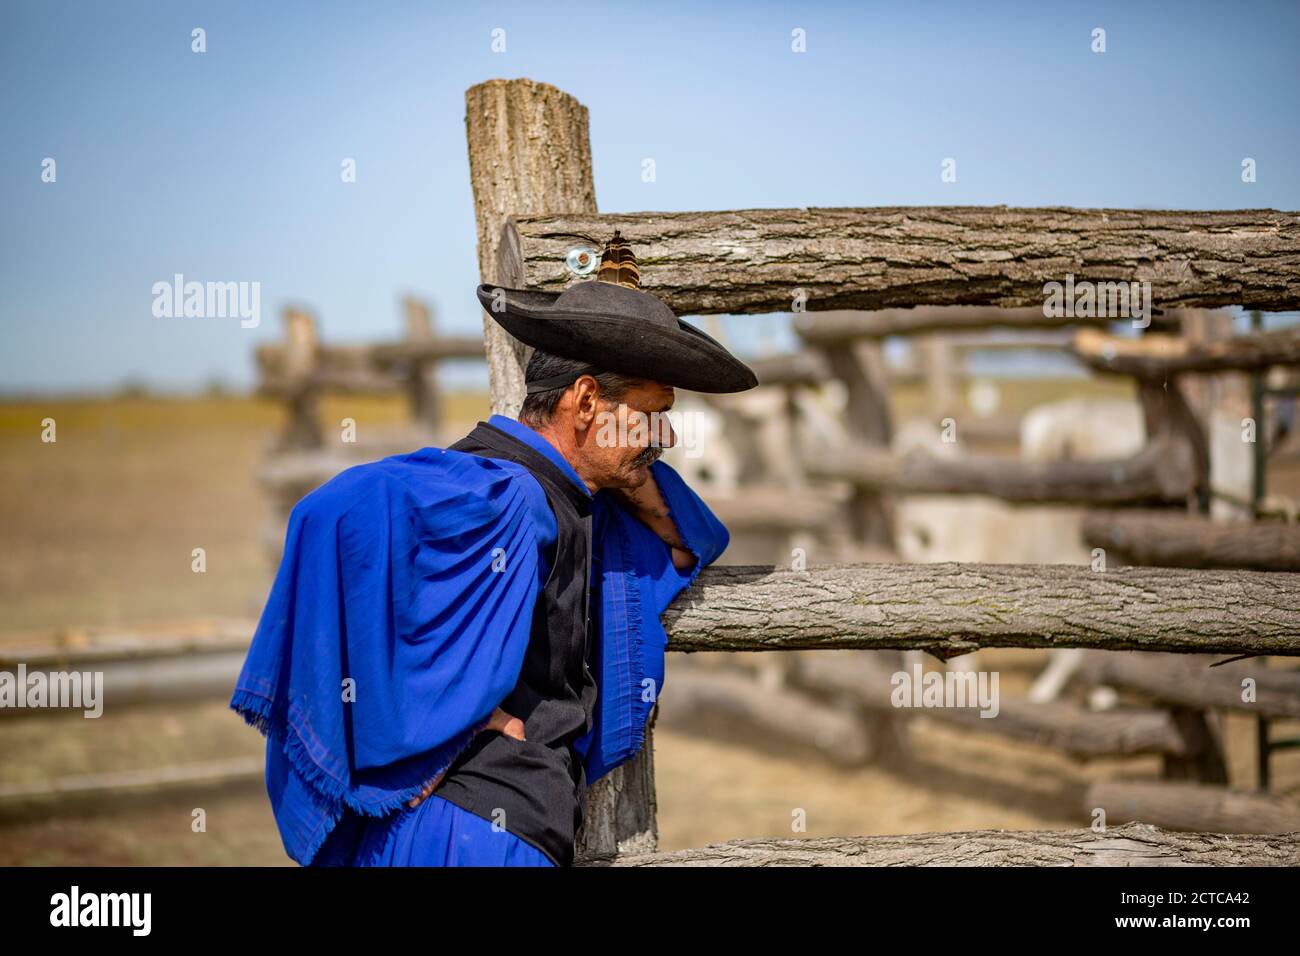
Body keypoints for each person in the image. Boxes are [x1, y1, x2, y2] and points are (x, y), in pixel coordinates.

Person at [229, 243, 759, 867]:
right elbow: (330, 511)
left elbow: (686, 542)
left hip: (477, 826)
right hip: (475, 833)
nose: (668, 435)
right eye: (653, 414)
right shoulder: (505, 491)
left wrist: (629, 459)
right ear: (585, 401)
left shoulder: (574, 494)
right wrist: (447, 733)